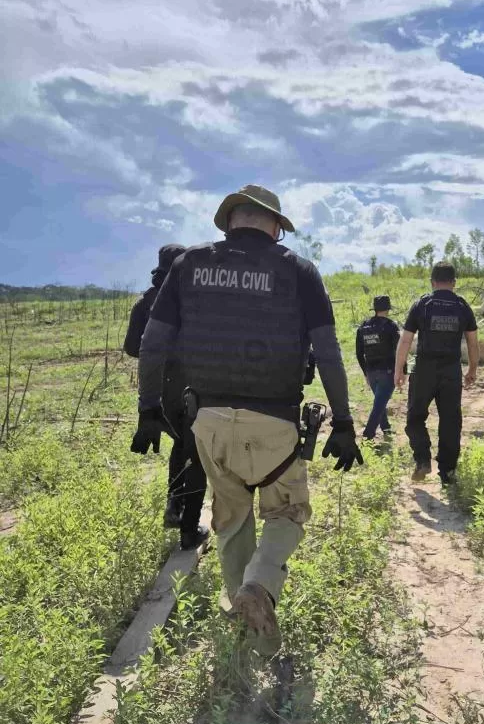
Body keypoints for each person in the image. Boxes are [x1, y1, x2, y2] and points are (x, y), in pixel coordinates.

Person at [132, 184, 362, 651]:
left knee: (231, 518)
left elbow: (153, 345)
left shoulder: (188, 265)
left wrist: (149, 410)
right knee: (288, 512)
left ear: (230, 220)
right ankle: (258, 587)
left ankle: (245, 627)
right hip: (275, 423)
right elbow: (329, 354)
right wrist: (343, 422)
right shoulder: (298, 269)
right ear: (275, 226)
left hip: (208, 423)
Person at [125, 244, 208, 550]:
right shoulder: (189, 298)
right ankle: (189, 529)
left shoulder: (144, 302)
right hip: (187, 386)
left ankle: (174, 506)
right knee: (196, 452)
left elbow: (133, 348)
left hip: (157, 389)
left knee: (180, 445)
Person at [394, 262, 479, 486]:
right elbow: (472, 342)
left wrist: (399, 370)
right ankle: (448, 472)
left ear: (432, 282)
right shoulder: (462, 306)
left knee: (414, 418)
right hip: (451, 371)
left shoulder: (423, 304)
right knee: (451, 421)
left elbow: (405, 340)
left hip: (424, 370)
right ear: (454, 283)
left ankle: (422, 460)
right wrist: (472, 369)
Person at [355, 295, 400, 440]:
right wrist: (403, 371)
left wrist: (365, 373)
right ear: (388, 309)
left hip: (371, 371)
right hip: (387, 371)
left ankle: (386, 428)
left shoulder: (363, 327)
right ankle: (368, 435)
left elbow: (359, 353)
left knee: (380, 401)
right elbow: (399, 350)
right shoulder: (391, 326)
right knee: (379, 405)